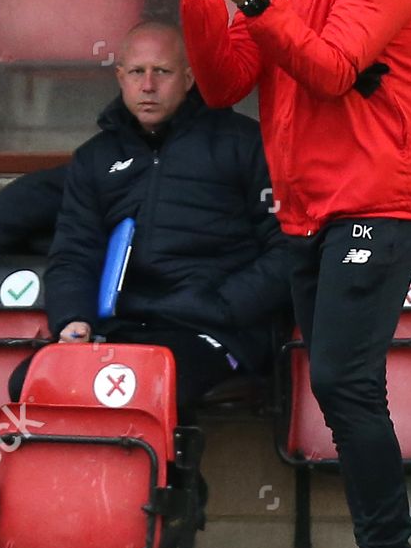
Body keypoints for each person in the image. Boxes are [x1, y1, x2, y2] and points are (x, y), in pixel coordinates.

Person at [156, 0, 411, 548]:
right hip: (308, 208)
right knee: (340, 385)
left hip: (380, 198)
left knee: (347, 381)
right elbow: (221, 86)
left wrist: (254, 3)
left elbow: (334, 70)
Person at [22, 22, 291, 420]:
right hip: (122, 329)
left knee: (150, 389)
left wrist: (221, 307)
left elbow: (288, 251)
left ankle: (168, 482)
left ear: (189, 77)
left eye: (162, 72)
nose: (148, 85)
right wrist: (73, 318)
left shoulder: (245, 144)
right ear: (120, 78)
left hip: (211, 331)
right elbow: (74, 254)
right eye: (136, 72)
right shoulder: (95, 158)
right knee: (29, 385)